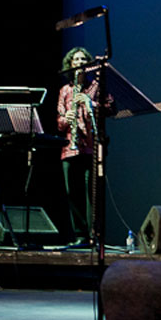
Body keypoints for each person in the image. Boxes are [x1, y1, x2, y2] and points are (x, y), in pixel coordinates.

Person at [56, 47, 114, 244]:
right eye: (76, 60)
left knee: (93, 195)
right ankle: (80, 235)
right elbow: (59, 122)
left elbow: (110, 108)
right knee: (73, 194)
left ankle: (94, 236)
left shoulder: (97, 86)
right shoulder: (65, 91)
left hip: (91, 147)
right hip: (70, 149)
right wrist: (66, 119)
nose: (79, 62)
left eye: (83, 59)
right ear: (70, 65)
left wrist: (91, 103)